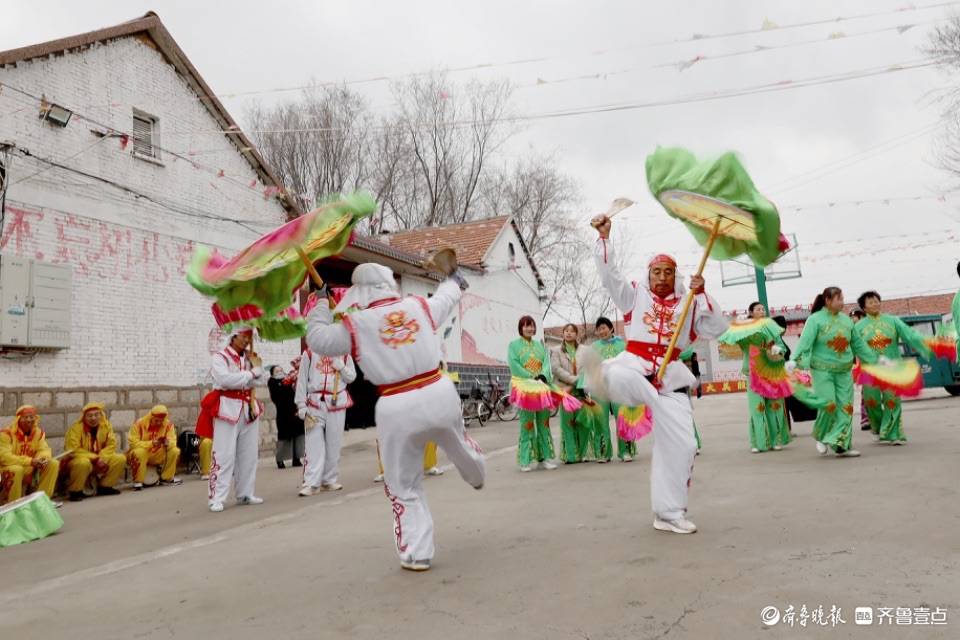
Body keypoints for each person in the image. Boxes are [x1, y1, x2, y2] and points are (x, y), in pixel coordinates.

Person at [305, 262, 485, 572]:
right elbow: (445, 299)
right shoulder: (417, 306)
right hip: (437, 390)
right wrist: (454, 281)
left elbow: (318, 340)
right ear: (390, 283)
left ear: (359, 290)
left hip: (396, 403)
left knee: (404, 484)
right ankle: (472, 466)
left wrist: (321, 302)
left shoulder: (355, 323)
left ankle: (418, 553)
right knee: (455, 437)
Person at [584, 213, 727, 535]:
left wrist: (702, 294)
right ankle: (601, 378)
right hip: (636, 363)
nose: (661, 277)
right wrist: (604, 238)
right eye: (656, 271)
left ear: (677, 276)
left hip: (671, 378)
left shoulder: (690, 302)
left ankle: (668, 512)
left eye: (668, 272)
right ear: (648, 275)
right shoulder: (634, 295)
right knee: (623, 375)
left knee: (684, 444)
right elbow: (609, 275)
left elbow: (718, 328)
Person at [790, 287, 878, 458]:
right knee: (829, 404)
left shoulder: (846, 321)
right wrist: (795, 360)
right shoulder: (815, 320)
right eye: (838, 298)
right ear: (828, 301)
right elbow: (805, 342)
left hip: (844, 370)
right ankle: (822, 435)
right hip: (822, 370)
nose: (842, 302)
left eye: (842, 298)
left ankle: (842, 446)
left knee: (846, 407)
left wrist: (874, 360)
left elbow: (858, 344)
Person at [197, 327, 265, 513]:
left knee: (248, 455)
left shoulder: (249, 357)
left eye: (248, 337)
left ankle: (245, 493)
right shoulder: (221, 357)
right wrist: (251, 374)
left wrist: (257, 367)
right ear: (233, 337)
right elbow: (225, 380)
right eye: (243, 336)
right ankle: (216, 497)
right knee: (224, 455)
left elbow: (260, 380)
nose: (246, 340)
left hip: (248, 408)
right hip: (227, 408)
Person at [854, 291, 932, 444]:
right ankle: (877, 427)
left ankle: (893, 433)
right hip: (870, 370)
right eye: (870, 302)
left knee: (892, 401)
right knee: (872, 402)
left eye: (877, 300)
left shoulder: (892, 321)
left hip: (891, 367)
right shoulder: (858, 327)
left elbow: (909, 334)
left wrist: (926, 344)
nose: (875, 304)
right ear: (864, 307)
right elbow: (854, 346)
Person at [722, 302, 790, 453]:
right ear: (751, 312)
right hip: (753, 373)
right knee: (757, 407)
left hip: (771, 372)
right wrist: (739, 326)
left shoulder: (771, 327)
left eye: (763, 309)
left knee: (774, 406)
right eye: (758, 309)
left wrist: (777, 349)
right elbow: (736, 342)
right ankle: (758, 442)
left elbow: (782, 348)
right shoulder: (744, 331)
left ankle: (775, 440)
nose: (761, 311)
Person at [295, 348, 357, 495]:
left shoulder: (344, 354)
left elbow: (352, 377)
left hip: (337, 401)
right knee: (313, 442)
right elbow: (302, 379)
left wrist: (341, 367)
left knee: (334, 442)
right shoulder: (309, 353)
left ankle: (329, 480)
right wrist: (301, 404)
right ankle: (311, 482)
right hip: (315, 402)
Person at [508, 316, 558, 472]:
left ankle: (544, 459)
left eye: (532, 326)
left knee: (544, 423)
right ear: (521, 328)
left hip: (541, 387)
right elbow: (514, 363)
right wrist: (530, 378)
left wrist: (542, 376)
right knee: (527, 424)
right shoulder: (513, 345)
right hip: (525, 389)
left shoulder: (540, 345)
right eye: (526, 326)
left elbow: (546, 363)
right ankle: (525, 460)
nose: (529, 329)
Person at [592, 317, 637, 463]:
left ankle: (625, 451)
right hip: (601, 388)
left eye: (604, 328)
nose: (602, 331)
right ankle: (604, 453)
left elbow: (630, 363)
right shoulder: (594, 347)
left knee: (622, 417)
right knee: (601, 420)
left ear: (611, 328)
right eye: (599, 329)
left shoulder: (623, 345)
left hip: (620, 386)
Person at [62, 403, 126, 501]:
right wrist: (95, 458)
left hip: (99, 459)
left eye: (96, 415)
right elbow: (73, 450)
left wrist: (101, 457)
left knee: (120, 458)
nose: (93, 418)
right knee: (83, 462)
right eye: (90, 415)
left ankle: (105, 487)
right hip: (79, 460)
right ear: (84, 417)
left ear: (101, 415)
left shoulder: (106, 426)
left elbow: (112, 444)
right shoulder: (75, 429)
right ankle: (75, 491)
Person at [0, 406, 60, 506]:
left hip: (30, 468)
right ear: (18, 419)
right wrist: (30, 461)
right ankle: (13, 505)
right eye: (25, 417)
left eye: (32, 417)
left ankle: (42, 501)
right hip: (7, 469)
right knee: (16, 469)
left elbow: (44, 449)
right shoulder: (6, 434)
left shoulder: (38, 433)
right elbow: (4, 457)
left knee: (52, 463)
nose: (29, 420)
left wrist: (41, 459)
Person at [550, 323, 592, 463]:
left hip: (581, 390)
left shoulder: (584, 350)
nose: (569, 333)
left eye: (572, 331)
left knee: (583, 422)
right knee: (567, 423)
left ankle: (583, 453)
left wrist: (582, 381)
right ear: (563, 333)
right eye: (566, 331)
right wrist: (574, 380)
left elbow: (588, 367)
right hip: (565, 390)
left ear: (576, 334)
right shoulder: (556, 350)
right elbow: (556, 369)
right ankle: (570, 455)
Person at [126, 405, 182, 490]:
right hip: (142, 454)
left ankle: (166, 478)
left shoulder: (168, 425)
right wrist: (151, 443)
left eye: (161, 421)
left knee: (174, 451)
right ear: (151, 417)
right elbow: (133, 443)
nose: (159, 423)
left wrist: (168, 443)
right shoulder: (139, 424)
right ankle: (138, 482)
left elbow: (173, 441)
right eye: (156, 420)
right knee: (139, 452)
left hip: (158, 454)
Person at [268, 365, 305, 469]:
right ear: (272, 373)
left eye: (281, 369)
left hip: (294, 411)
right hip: (283, 413)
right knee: (284, 437)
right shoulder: (272, 382)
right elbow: (276, 396)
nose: (280, 371)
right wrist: (284, 384)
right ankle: (280, 460)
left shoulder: (289, 380)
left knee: (298, 435)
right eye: (277, 370)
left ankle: (297, 459)